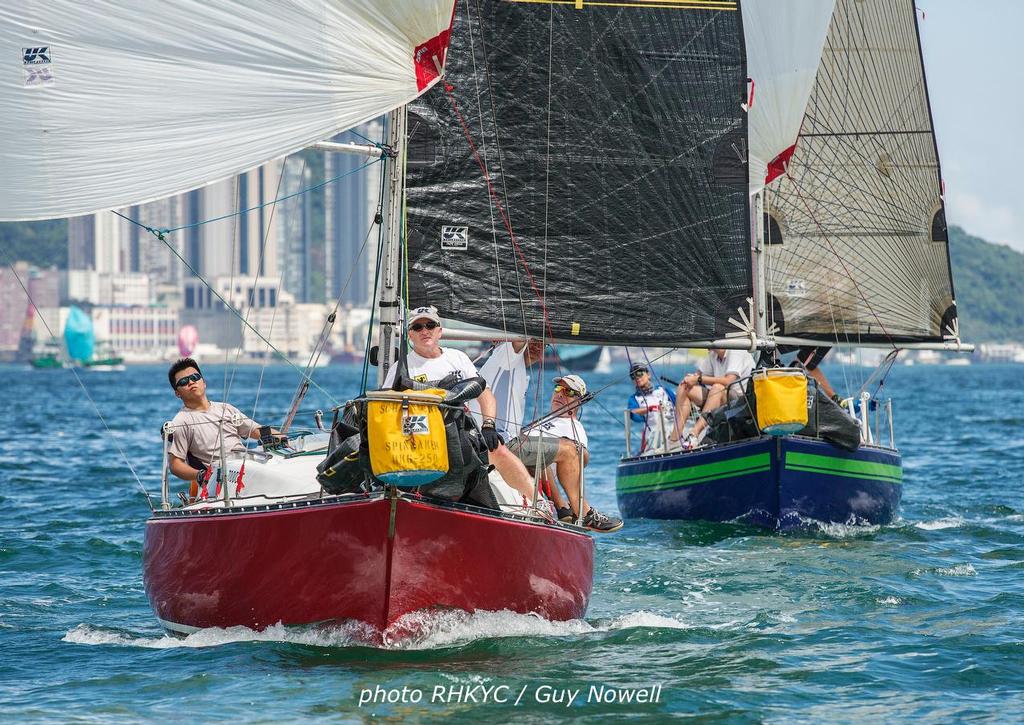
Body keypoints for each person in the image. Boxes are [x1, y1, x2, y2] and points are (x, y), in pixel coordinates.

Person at [382, 306, 538, 502]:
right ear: (410, 335)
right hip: (422, 439)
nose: (425, 331)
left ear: (439, 331)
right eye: (418, 327)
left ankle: (538, 504)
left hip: (459, 435)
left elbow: (484, 392)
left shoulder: (457, 358)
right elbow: (386, 409)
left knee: (498, 450)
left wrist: (488, 426)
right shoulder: (402, 367)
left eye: (430, 325)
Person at [509, 375, 623, 533]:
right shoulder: (543, 421)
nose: (560, 394)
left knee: (541, 452)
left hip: (535, 482)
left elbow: (579, 458)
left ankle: (565, 508)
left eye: (569, 392)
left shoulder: (575, 429)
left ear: (579, 401)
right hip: (512, 469)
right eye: (558, 389)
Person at [166, 357, 282, 485]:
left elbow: (257, 431)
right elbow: (175, 464)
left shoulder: (226, 408)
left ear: (204, 382)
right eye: (183, 381)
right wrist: (200, 475)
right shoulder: (181, 421)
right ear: (177, 393)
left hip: (249, 464)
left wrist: (285, 440)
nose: (191, 382)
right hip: (224, 477)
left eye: (195, 377)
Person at [672, 347, 754, 448]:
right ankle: (674, 440)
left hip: (740, 400)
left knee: (717, 388)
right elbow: (698, 375)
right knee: (684, 386)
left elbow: (728, 381)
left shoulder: (736, 351)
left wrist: (698, 379)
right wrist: (690, 379)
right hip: (721, 396)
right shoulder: (713, 354)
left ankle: (694, 434)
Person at [627, 362, 677, 453]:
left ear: (648, 375)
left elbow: (678, 403)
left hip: (674, 430)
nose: (637, 378)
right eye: (633, 376)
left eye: (639, 373)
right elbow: (632, 413)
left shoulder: (663, 390)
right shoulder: (635, 398)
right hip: (653, 437)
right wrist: (649, 409)